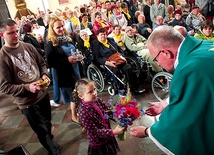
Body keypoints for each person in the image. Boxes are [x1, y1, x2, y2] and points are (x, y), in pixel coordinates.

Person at [130, 25, 214, 154]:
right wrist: (166, 103)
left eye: (156, 58)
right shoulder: (206, 44)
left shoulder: (188, 69)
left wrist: (148, 131)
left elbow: (181, 119)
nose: (158, 63)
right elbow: (199, 91)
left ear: (166, 53)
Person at [0, 19, 61, 155]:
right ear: (2, 34)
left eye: (16, 31)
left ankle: (51, 144)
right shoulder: (2, 56)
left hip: (42, 94)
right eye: (11, 33)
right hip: (27, 102)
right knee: (41, 129)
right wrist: (27, 87)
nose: (16, 35)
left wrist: (44, 75)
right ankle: (52, 151)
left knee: (47, 123)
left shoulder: (27, 46)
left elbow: (41, 64)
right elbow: (5, 87)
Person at [72, 78, 125, 155]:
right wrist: (114, 132)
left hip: (108, 136)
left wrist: (119, 116)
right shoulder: (83, 112)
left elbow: (108, 111)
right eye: (90, 92)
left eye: (94, 89)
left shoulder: (98, 100)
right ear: (81, 96)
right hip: (99, 143)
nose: (94, 93)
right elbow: (95, 132)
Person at [45, 16, 80, 123]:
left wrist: (79, 56)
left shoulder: (67, 38)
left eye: (61, 26)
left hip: (75, 69)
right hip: (64, 73)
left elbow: (73, 50)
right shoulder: (50, 43)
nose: (61, 29)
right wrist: (67, 60)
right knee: (74, 95)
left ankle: (79, 114)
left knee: (78, 93)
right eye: (57, 27)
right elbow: (50, 62)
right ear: (52, 29)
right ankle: (74, 116)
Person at [92, 28, 145, 93]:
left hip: (117, 59)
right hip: (107, 62)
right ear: (97, 36)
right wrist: (108, 63)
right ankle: (121, 89)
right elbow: (97, 58)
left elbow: (120, 50)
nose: (103, 36)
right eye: (101, 35)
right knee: (115, 71)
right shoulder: (95, 44)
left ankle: (134, 86)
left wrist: (122, 56)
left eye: (105, 34)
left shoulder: (110, 40)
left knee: (128, 67)